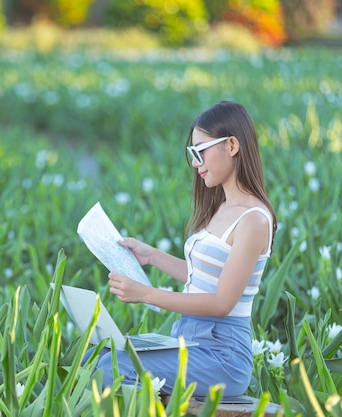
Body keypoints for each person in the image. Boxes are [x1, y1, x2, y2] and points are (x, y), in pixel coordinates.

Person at [88, 100, 277, 397]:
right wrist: (151, 256)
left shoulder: (253, 220)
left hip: (222, 357)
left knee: (110, 366)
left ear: (231, 145)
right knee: (93, 355)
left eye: (200, 150)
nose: (194, 162)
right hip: (190, 341)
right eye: (193, 152)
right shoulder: (223, 207)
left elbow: (221, 302)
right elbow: (205, 277)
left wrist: (146, 295)